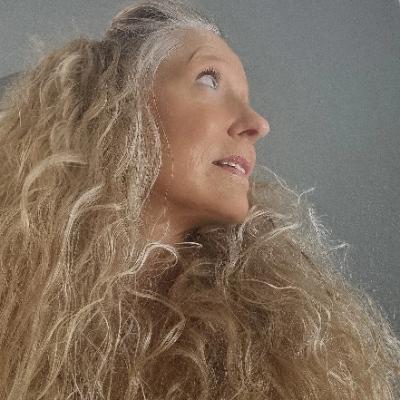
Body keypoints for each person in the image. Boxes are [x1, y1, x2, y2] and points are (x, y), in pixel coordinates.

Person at [0, 0, 398, 398]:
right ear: (115, 103)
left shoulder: (288, 332)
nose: (257, 123)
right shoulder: (16, 305)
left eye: (245, 97)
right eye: (210, 80)